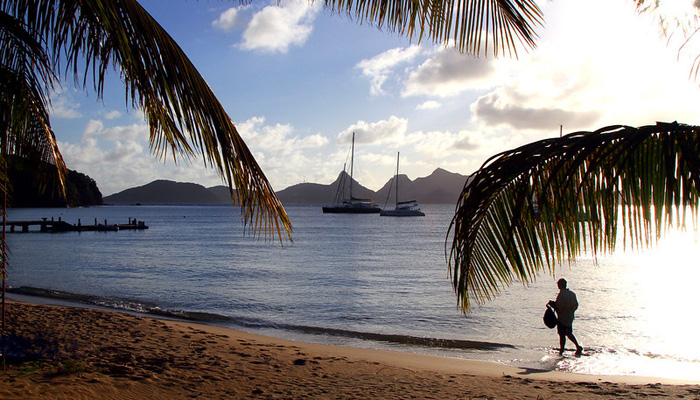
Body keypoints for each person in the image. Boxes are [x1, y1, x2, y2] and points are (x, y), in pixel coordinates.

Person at [548, 278, 583, 356]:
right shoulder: (572, 294)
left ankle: (561, 350)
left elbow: (559, 306)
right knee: (569, 333)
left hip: (562, 318)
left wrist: (552, 304)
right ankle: (577, 347)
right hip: (570, 317)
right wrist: (571, 311)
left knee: (562, 335)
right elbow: (576, 305)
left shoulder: (561, 295)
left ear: (560, 285)